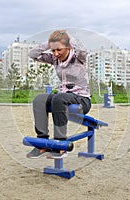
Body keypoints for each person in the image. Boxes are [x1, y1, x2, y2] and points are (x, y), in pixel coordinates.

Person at [27, 30, 91, 159]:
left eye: (59, 50)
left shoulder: (79, 57)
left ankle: (60, 143)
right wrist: (51, 43)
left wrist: (67, 37)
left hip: (82, 99)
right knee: (39, 99)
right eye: (53, 50)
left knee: (59, 98)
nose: (56, 54)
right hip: (64, 97)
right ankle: (42, 142)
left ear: (68, 47)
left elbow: (82, 49)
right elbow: (32, 54)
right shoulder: (54, 59)